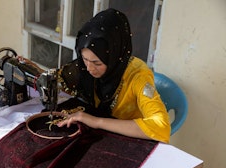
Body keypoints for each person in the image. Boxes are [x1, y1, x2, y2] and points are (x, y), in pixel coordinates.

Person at [56, 8, 171, 143]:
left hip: (128, 139)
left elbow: (161, 126)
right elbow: (58, 78)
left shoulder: (139, 77)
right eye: (84, 59)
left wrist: (97, 121)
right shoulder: (85, 65)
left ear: (114, 56)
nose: (89, 68)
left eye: (96, 63)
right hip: (103, 132)